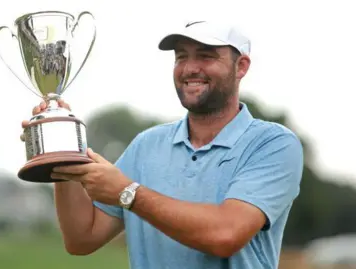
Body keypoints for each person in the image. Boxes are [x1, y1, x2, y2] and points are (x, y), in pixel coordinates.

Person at [23, 20, 304, 269]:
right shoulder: (147, 145)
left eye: (206, 56)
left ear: (241, 66)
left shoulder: (273, 144)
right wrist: (63, 156)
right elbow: (82, 238)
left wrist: (128, 193)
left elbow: (225, 235)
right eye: (181, 57)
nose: (190, 68)